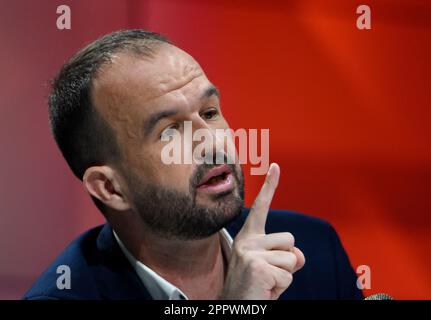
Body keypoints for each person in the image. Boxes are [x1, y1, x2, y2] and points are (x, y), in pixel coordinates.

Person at [24, 29, 362, 300]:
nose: (212, 143)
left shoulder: (313, 250)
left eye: (210, 113)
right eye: (170, 131)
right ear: (111, 188)